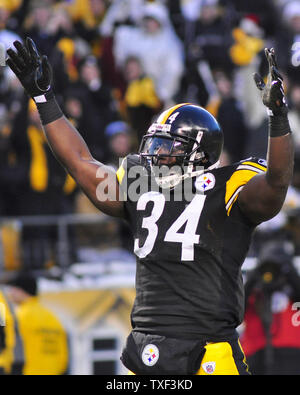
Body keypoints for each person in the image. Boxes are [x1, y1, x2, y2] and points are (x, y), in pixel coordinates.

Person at [6, 38, 294, 375]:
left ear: (198, 153)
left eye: (167, 146)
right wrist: (44, 100)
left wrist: (277, 118)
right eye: (155, 144)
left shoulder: (227, 185)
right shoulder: (142, 183)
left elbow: (275, 184)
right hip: (147, 348)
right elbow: (79, 162)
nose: (156, 154)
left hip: (208, 353)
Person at [240, 241, 300, 375]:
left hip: (293, 356)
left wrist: (289, 271)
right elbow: (236, 311)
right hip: (255, 355)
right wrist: (254, 278)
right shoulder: (253, 294)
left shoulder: (294, 293)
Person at [6, 272, 69, 375]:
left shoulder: (19, 316)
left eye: (13, 289)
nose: (10, 293)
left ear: (21, 291)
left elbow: (8, 346)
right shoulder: (53, 317)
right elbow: (63, 357)